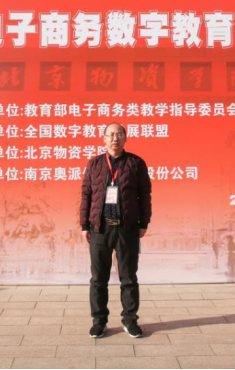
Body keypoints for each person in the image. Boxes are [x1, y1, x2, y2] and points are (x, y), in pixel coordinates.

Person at [79, 123, 152, 338]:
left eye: (119, 134)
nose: (115, 139)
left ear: (125, 138)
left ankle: (130, 320)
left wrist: (144, 223)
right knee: (98, 279)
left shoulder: (136, 163)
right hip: (100, 229)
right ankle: (99, 322)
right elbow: (86, 195)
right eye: (110, 135)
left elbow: (145, 195)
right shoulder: (94, 164)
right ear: (103, 139)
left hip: (126, 228)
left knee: (128, 278)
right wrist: (84, 225)